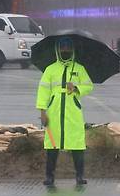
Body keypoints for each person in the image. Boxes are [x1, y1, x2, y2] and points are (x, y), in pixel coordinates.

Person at [36, 37, 93, 187]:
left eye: (68, 47)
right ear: (58, 49)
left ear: (72, 49)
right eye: (62, 47)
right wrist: (42, 111)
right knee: (52, 145)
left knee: (77, 144)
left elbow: (89, 86)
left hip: (72, 111)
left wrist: (76, 88)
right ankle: (49, 177)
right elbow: (43, 91)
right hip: (54, 111)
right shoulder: (50, 69)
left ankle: (80, 176)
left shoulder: (79, 68)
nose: (65, 50)